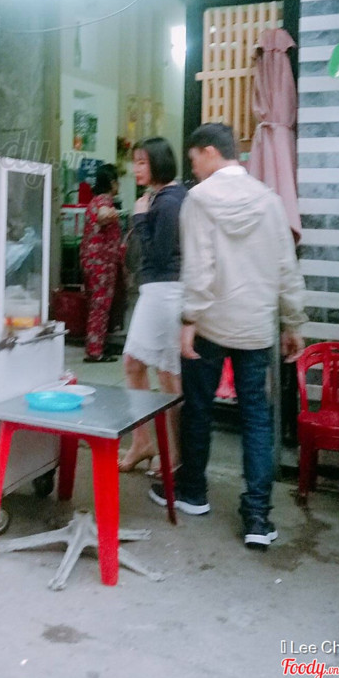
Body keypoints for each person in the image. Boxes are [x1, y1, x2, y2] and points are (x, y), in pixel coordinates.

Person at [150, 122, 306, 550]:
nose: (193, 169)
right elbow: (286, 267)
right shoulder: (270, 201)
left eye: (194, 159)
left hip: (210, 326)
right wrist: (293, 322)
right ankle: (257, 516)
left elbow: (199, 268)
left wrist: (189, 320)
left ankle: (193, 492)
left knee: (198, 408)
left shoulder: (199, 200)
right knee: (256, 417)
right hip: (256, 328)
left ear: (209, 152)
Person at [118, 138, 186, 473]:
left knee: (168, 375)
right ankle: (143, 442)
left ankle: (173, 452)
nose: (136, 169)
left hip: (166, 292)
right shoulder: (160, 197)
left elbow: (158, 254)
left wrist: (140, 219)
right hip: (156, 292)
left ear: (159, 163)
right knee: (135, 364)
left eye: (142, 162)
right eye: (135, 162)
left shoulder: (170, 201)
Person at [79, 163, 121, 363]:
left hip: (93, 261)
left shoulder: (94, 200)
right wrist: (113, 214)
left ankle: (96, 345)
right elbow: (103, 216)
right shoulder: (104, 200)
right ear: (112, 183)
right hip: (101, 264)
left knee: (96, 305)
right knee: (100, 306)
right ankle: (95, 351)